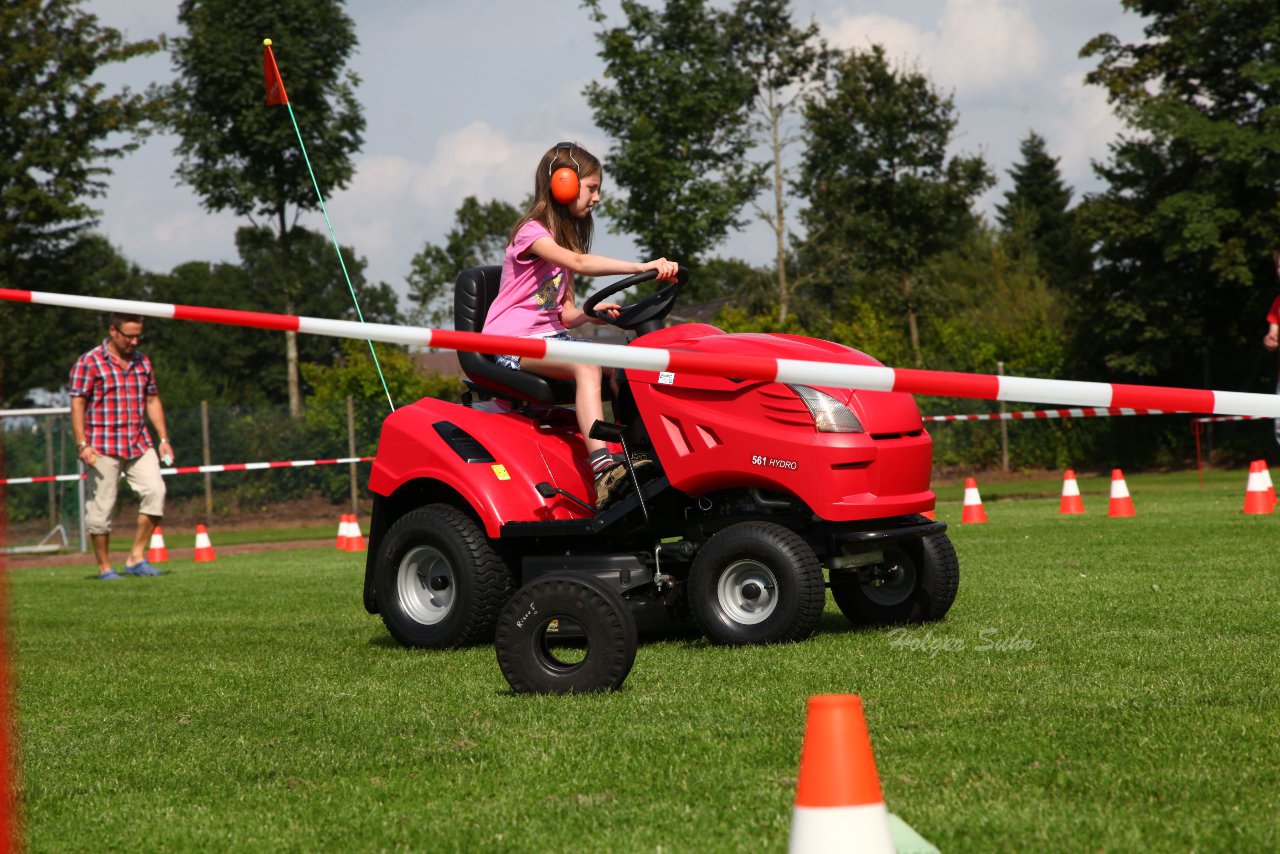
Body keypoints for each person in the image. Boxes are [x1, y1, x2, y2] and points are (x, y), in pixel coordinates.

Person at [483, 142, 678, 505]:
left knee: (627, 367)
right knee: (587, 364)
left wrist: (594, 312)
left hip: (551, 337)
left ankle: (638, 454)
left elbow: (565, 315)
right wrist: (643, 267)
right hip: (513, 342)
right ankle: (604, 469)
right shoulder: (531, 232)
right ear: (563, 185)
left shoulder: (564, 242)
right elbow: (582, 263)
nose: (598, 197)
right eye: (592, 187)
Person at [70, 312, 172, 579]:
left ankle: (136, 558)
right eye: (130, 336)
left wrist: (163, 440)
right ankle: (104, 568)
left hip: (139, 443)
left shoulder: (143, 362)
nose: (135, 341)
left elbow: (152, 400)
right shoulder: (89, 362)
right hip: (101, 445)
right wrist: (82, 444)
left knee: (156, 492)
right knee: (101, 510)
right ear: (113, 331)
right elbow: (78, 403)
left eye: (139, 335)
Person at [1265, 251, 1280, 448]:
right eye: (1278, 266)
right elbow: (1272, 334)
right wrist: (1269, 340)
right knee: (1279, 427)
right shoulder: (1278, 302)